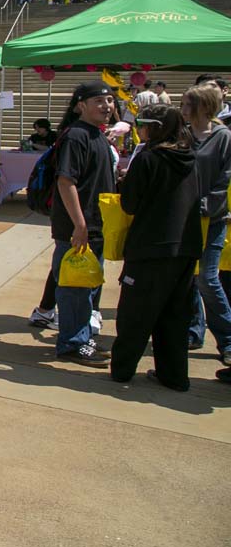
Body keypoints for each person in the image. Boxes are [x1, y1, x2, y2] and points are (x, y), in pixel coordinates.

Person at [110, 104, 203, 390]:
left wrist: (125, 183)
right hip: (185, 247)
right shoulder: (191, 156)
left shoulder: (149, 158)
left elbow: (130, 203)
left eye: (142, 124)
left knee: (135, 314)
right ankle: (174, 376)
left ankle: (122, 370)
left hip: (149, 246)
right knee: (175, 315)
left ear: (154, 127)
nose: (139, 130)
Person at [50, 81, 116, 366]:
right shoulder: (76, 136)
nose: (107, 106)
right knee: (74, 289)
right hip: (78, 230)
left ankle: (82, 336)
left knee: (87, 287)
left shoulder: (97, 135)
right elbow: (66, 182)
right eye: (99, 101)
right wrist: (79, 225)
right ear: (81, 106)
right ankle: (72, 344)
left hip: (95, 227)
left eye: (110, 101)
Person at [183, 82, 231, 363]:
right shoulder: (183, 135)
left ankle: (227, 339)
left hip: (213, 218)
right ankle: (193, 331)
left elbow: (225, 179)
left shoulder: (223, 137)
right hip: (185, 219)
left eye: (188, 104)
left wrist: (205, 206)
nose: (183, 109)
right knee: (189, 277)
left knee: (208, 278)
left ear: (204, 106)